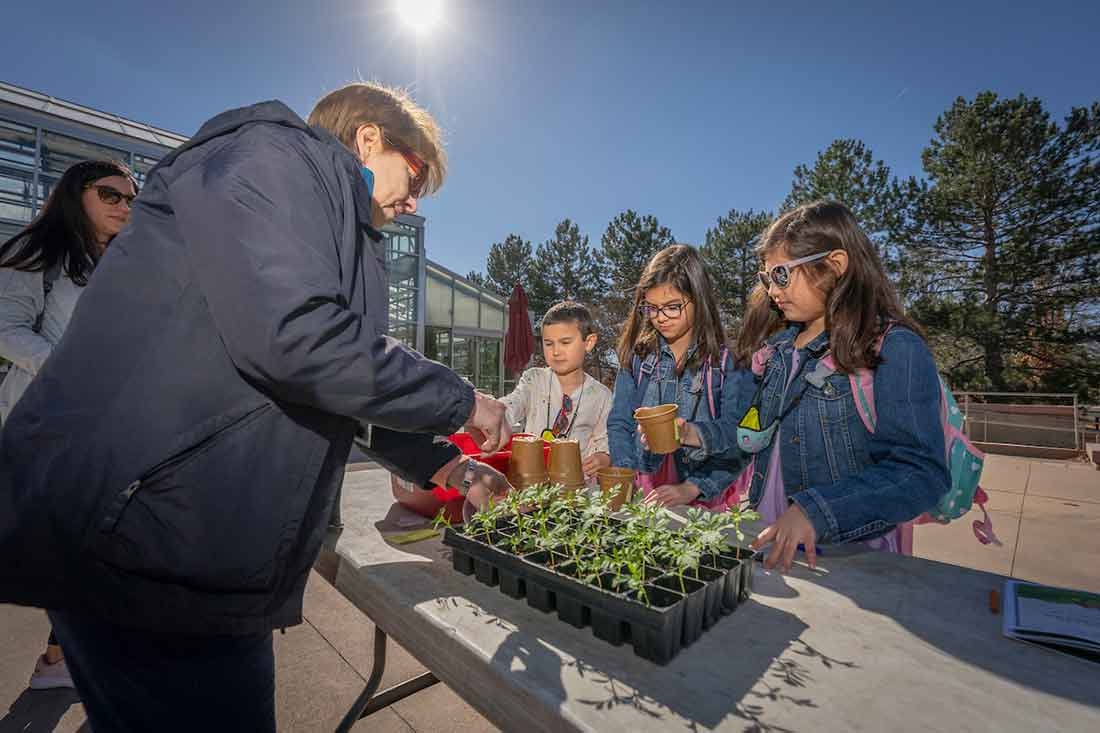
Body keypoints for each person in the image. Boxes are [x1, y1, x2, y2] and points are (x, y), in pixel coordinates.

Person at [0, 82, 512, 731]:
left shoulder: (324, 219)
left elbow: (331, 383)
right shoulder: (271, 159)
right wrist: (460, 399)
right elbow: (297, 340)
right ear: (369, 138)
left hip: (170, 545)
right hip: (148, 544)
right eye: (415, 176)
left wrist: (447, 466)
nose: (414, 200)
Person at [734, 201, 949, 573]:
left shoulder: (895, 348)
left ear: (834, 266)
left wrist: (817, 510)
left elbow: (920, 471)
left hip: (846, 557)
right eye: (767, 278)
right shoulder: (779, 350)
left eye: (782, 275)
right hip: (769, 545)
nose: (771, 291)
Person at [0, 159, 137, 690]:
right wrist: (68, 372)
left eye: (130, 198)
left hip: (105, 424)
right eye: (110, 194)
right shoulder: (36, 251)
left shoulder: (119, 261)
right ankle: (64, 659)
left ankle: (61, 657)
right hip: (47, 423)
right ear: (75, 195)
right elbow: (6, 328)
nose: (125, 206)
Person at [606, 244, 753, 507]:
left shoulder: (726, 363)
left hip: (705, 495)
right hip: (644, 488)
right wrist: (624, 474)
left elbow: (739, 437)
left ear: (699, 299)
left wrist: (693, 486)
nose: (660, 317)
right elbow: (620, 422)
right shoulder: (637, 358)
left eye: (672, 307)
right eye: (651, 308)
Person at [501, 301, 612, 476]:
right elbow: (512, 404)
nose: (556, 352)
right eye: (548, 343)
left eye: (565, 342)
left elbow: (604, 439)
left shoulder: (601, 395)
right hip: (531, 488)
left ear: (589, 342)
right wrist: (494, 411)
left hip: (577, 492)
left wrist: (602, 458)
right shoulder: (534, 380)